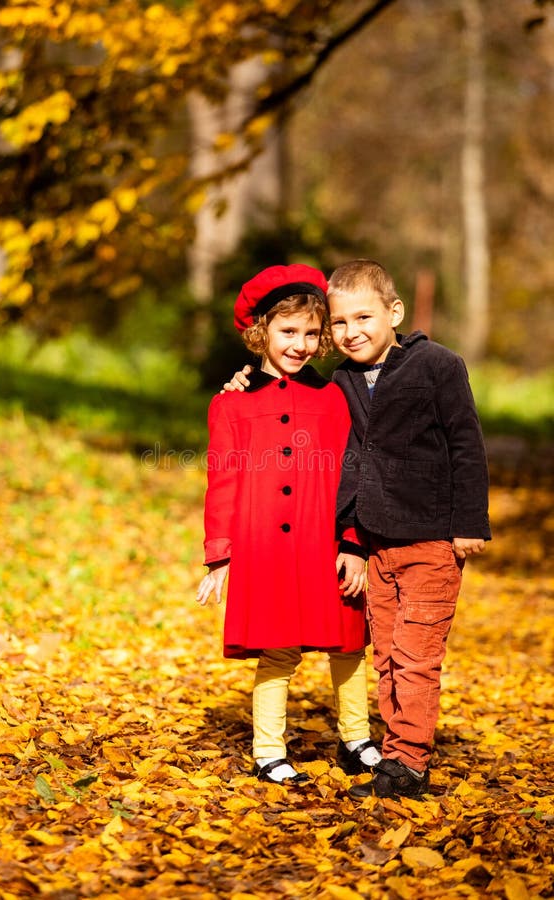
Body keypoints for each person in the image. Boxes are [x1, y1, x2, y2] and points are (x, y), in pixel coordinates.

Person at [222, 259, 491, 799]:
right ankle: (394, 753)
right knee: (388, 654)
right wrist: (245, 378)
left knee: (412, 657)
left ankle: (406, 763)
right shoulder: (340, 381)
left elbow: (466, 443)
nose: (351, 332)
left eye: (361, 318)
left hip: (431, 535)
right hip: (373, 541)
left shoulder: (437, 366)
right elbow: (291, 402)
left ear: (394, 312)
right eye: (339, 324)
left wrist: (469, 522)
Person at [196, 263, 382, 785]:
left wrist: (354, 541)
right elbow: (223, 481)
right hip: (265, 549)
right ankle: (268, 751)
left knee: (347, 644)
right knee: (278, 650)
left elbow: (354, 474)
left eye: (310, 333)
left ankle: (356, 738)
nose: (299, 344)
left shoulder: (335, 398)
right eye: (287, 331)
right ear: (260, 332)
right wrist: (219, 555)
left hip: (327, 543)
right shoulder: (231, 405)